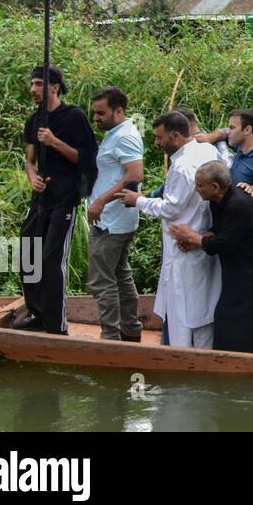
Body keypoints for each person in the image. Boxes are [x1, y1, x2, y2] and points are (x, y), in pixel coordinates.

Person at [117, 111, 222, 348]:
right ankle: (202, 363)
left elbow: (171, 207)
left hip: (184, 248)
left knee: (181, 315)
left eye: (159, 137)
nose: (156, 142)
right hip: (201, 240)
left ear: (175, 136)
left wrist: (138, 200)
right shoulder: (207, 151)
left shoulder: (183, 166)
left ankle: (180, 363)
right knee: (203, 311)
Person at [15, 65, 98, 336]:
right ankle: (36, 313)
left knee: (51, 261)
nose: (33, 89)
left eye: (39, 84)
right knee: (28, 255)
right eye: (32, 84)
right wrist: (32, 178)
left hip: (64, 199)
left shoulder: (73, 117)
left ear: (55, 87)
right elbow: (29, 161)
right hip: (40, 198)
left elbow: (86, 159)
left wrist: (54, 142)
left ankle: (55, 325)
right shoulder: (34, 119)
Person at [169, 162, 253, 355]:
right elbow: (221, 231)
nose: (195, 189)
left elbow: (223, 244)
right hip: (241, 275)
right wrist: (200, 238)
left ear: (214, 187)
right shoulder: (217, 202)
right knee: (227, 328)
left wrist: (192, 237)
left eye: (199, 185)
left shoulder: (238, 203)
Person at [85, 87, 145, 342]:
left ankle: (110, 335)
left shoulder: (125, 137)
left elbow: (135, 174)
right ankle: (130, 330)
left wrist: (100, 200)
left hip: (112, 220)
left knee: (102, 280)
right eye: (95, 113)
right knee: (120, 273)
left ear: (119, 111)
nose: (96, 118)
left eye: (101, 113)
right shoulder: (115, 133)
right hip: (115, 219)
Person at [197, 109, 253, 218]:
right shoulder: (241, 147)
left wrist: (251, 189)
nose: (228, 131)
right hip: (235, 222)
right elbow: (223, 133)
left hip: (252, 227)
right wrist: (210, 137)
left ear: (247, 130)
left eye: (232, 128)